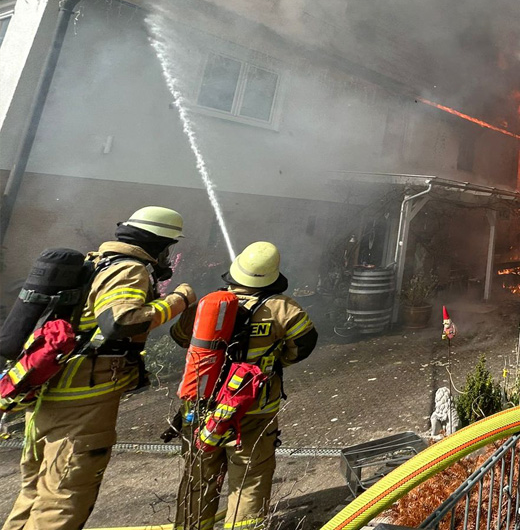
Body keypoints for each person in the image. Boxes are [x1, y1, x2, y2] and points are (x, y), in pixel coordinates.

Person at [3, 207, 195, 530]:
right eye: (167, 247)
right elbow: (120, 321)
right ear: (156, 243)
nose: (167, 256)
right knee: (64, 497)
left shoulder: (96, 263)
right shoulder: (129, 271)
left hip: (52, 396)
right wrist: (179, 300)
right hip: (82, 403)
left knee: (34, 494)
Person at [172, 242, 318, 530]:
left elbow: (179, 337)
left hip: (201, 407)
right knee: (250, 476)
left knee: (198, 475)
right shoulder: (283, 308)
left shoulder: (208, 303)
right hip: (251, 409)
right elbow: (303, 345)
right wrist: (273, 364)